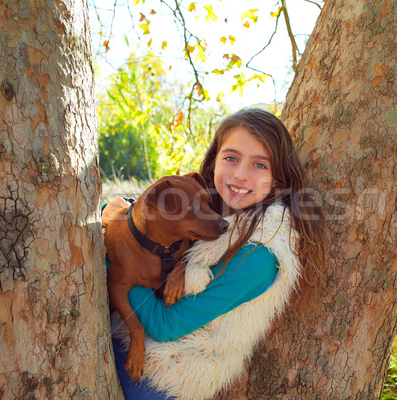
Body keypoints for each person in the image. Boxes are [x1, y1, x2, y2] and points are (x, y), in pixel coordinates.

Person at [101, 107, 326, 399]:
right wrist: (126, 219)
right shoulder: (214, 210)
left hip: (159, 374)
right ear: (215, 160)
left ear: (278, 179)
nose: (241, 175)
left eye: (260, 165)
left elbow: (166, 326)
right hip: (129, 338)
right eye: (231, 158)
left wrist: (117, 257)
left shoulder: (261, 253)